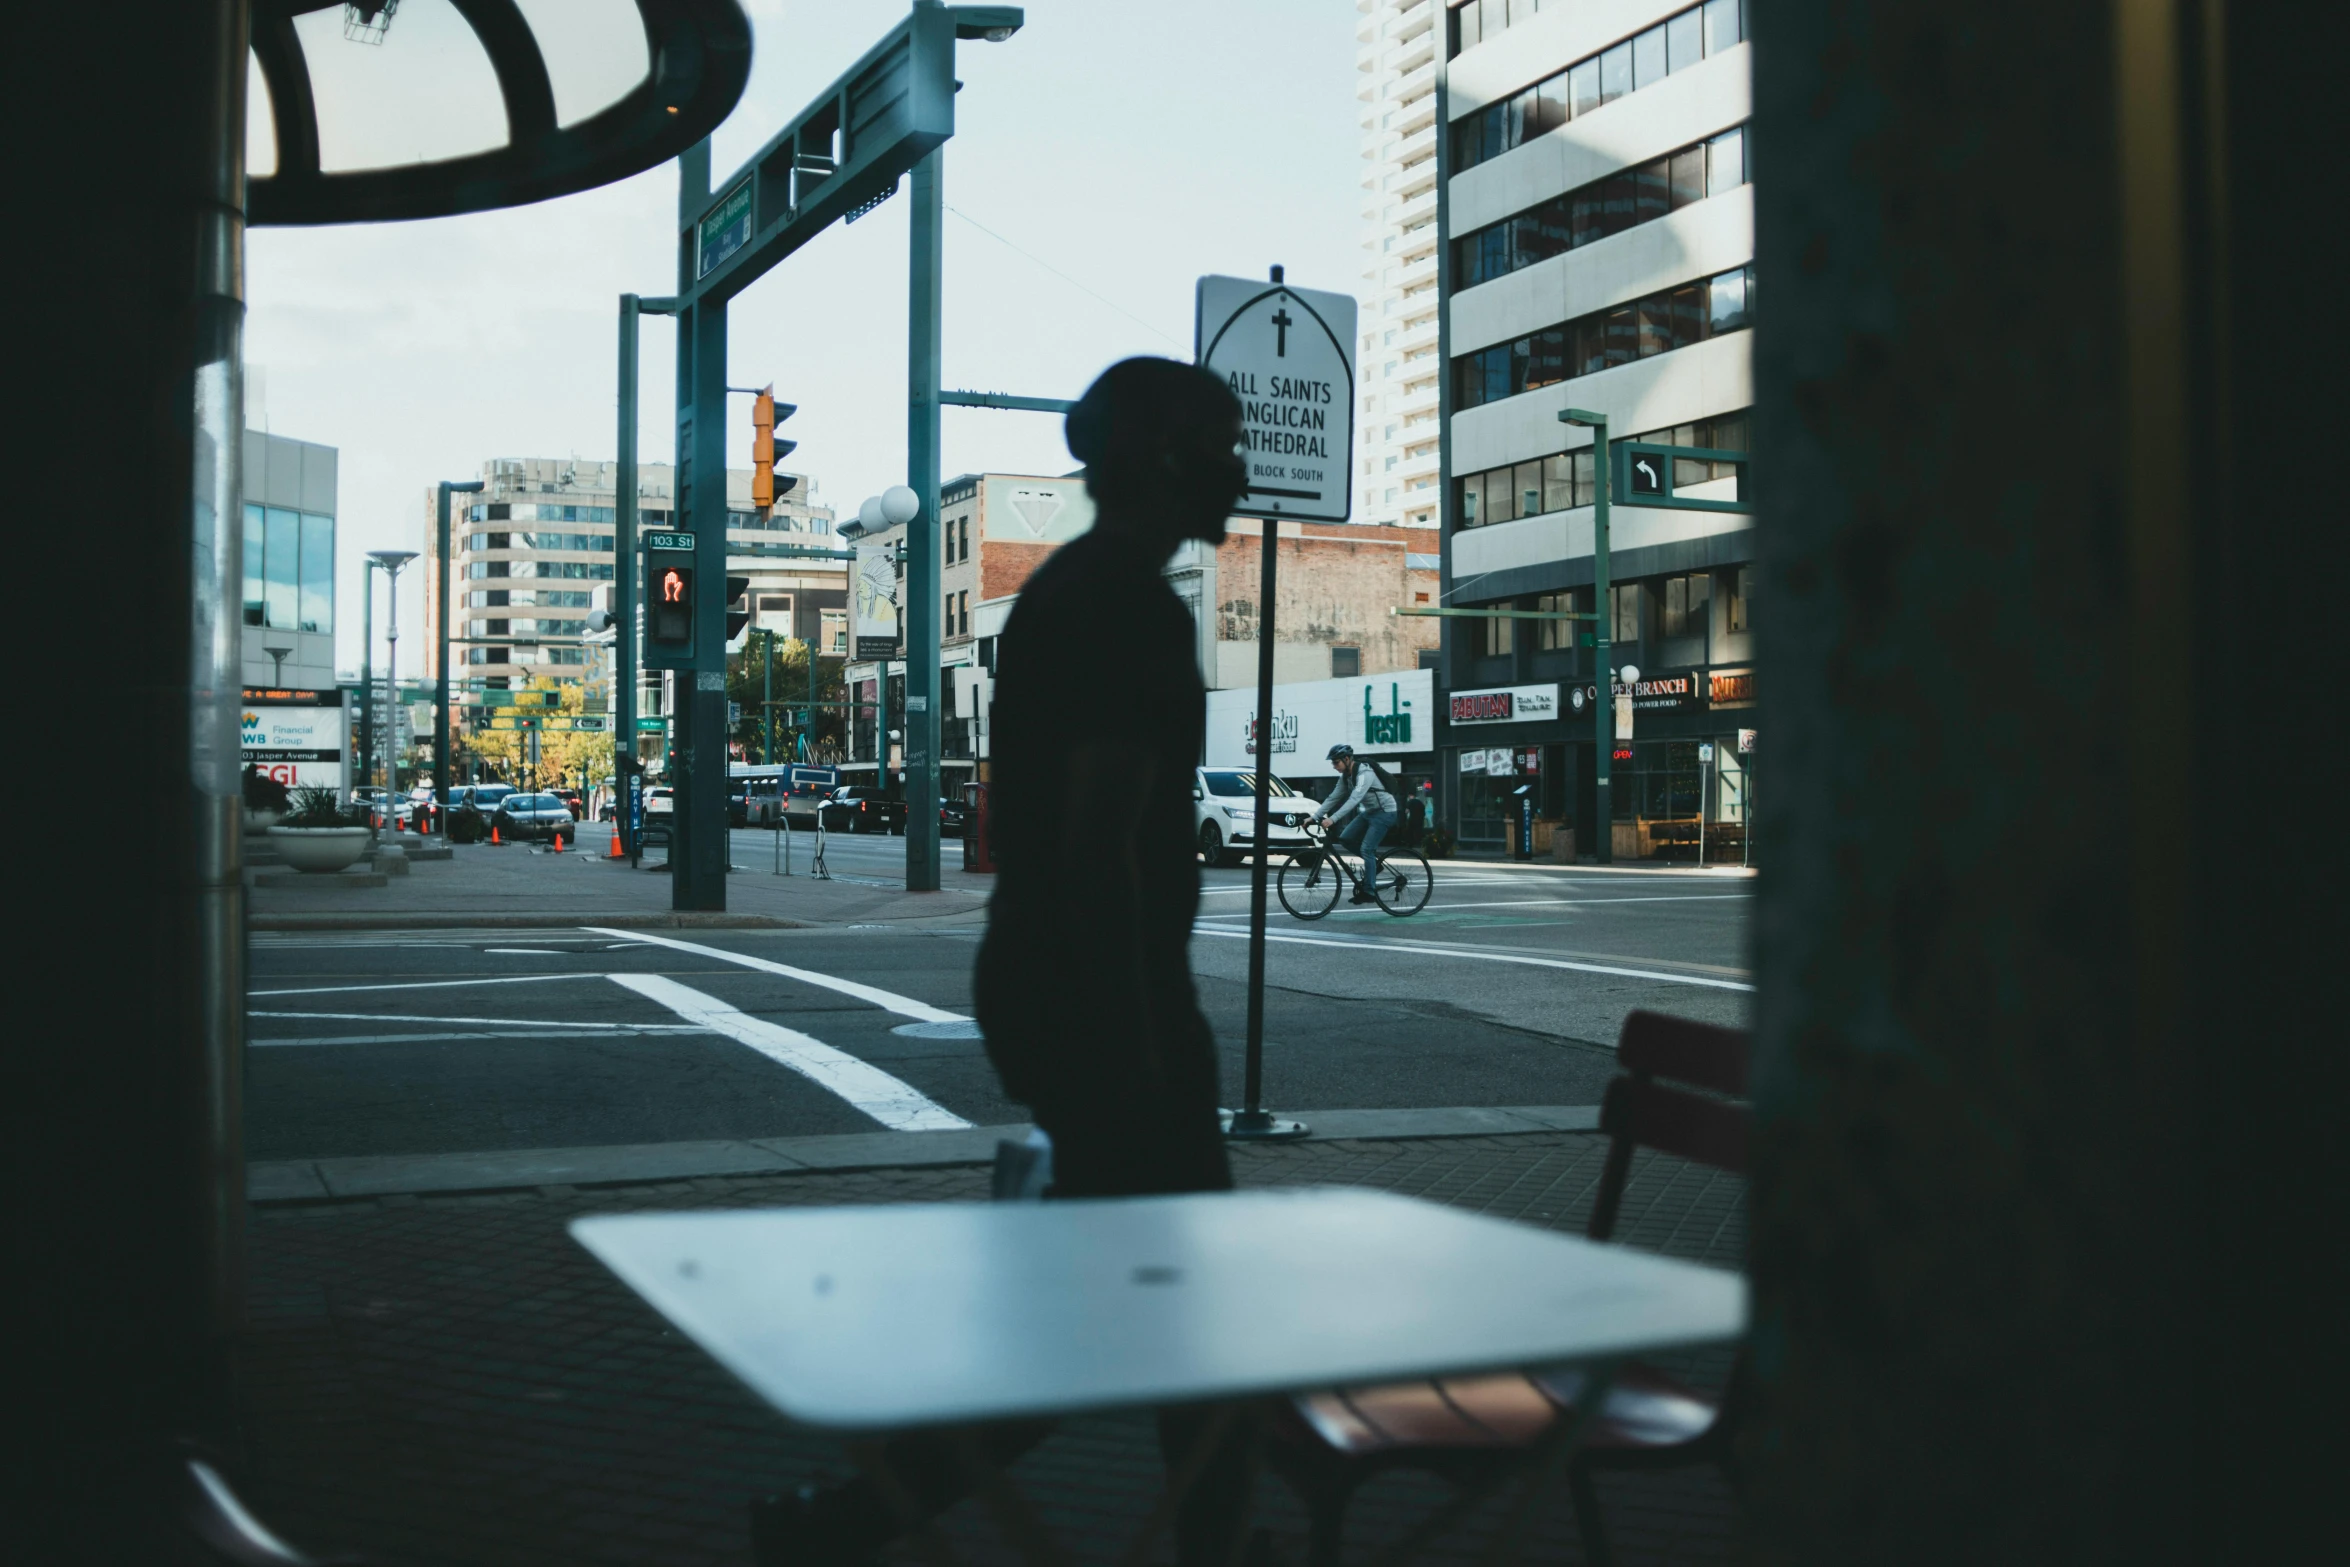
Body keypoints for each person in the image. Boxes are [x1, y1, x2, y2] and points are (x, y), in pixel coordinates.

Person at [751, 357, 1253, 1567]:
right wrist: (1142, 1037)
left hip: (1052, 981)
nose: (1240, 466)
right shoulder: (1125, 606)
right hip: (1102, 994)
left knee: (1133, 1304)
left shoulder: (1078, 591)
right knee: (1181, 1319)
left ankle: (862, 1510)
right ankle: (864, 1513)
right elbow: (1099, 848)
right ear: (1166, 459)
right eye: (1221, 442)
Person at [1309, 743, 1400, 904]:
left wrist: (1333, 819)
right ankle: (1375, 865)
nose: (1333, 766)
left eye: (1336, 762)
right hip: (1371, 812)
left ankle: (1370, 891)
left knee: (1366, 849)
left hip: (1386, 812)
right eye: (1332, 763)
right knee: (1346, 838)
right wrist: (1314, 817)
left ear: (1346, 759)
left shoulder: (1365, 773)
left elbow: (1354, 799)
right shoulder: (1346, 777)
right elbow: (1333, 798)